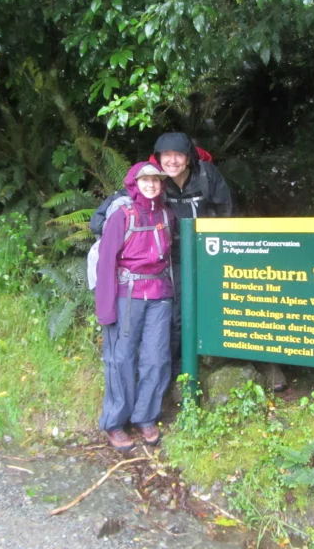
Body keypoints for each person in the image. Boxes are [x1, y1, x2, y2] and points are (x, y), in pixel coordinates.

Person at [151, 132, 289, 394]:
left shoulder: (206, 176)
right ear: (158, 159)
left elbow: (226, 212)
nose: (172, 161)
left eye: (178, 155)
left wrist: (225, 252)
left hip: (211, 252)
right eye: (166, 156)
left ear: (189, 158)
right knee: (179, 313)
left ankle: (265, 364)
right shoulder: (154, 181)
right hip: (174, 258)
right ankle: (178, 373)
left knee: (236, 303)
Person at [95, 161, 175, 451]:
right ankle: (115, 422)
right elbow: (106, 263)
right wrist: (105, 309)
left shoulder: (166, 215)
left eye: (155, 180)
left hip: (159, 294)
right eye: (145, 180)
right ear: (134, 183)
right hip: (127, 294)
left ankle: (146, 416)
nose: (151, 185)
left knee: (156, 357)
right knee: (122, 358)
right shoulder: (122, 216)